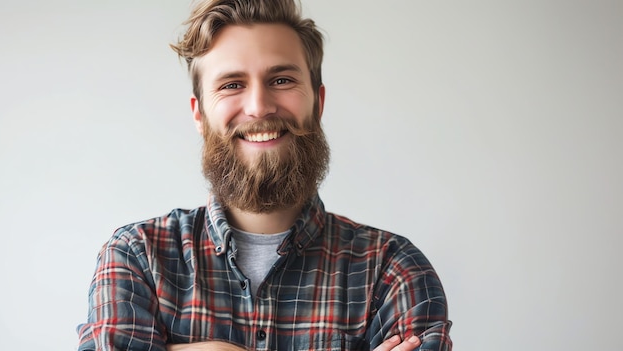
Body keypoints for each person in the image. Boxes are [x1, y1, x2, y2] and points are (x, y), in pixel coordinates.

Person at [76, 0, 452, 350]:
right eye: (231, 85)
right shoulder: (137, 257)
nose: (259, 107)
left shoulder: (391, 270)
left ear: (318, 102)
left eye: (282, 80)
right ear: (200, 115)